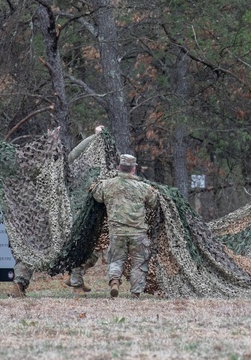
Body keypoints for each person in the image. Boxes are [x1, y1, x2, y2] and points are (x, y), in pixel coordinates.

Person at [14, 126, 103, 296]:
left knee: (32, 251)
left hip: (44, 218)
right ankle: (76, 285)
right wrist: (94, 137)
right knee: (78, 246)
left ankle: (19, 285)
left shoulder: (37, 170)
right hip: (56, 218)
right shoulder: (60, 171)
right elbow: (76, 153)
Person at [90, 153, 159, 298]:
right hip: (138, 233)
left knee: (116, 260)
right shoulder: (143, 187)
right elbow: (153, 203)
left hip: (117, 232)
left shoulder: (107, 184)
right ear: (133, 169)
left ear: (119, 167)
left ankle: (114, 281)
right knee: (138, 263)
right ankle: (135, 293)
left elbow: (96, 195)